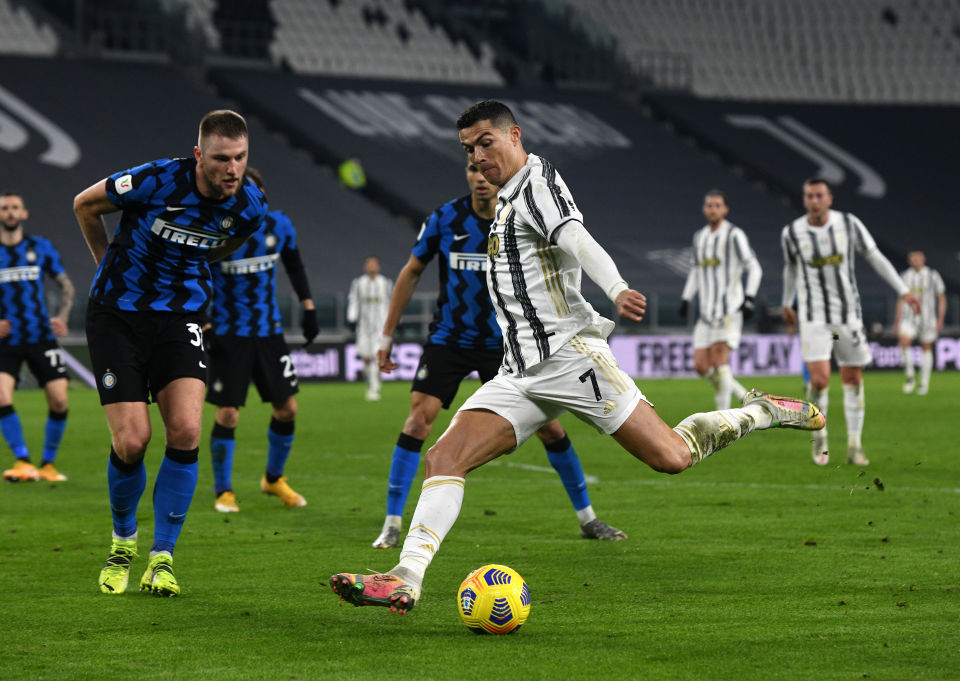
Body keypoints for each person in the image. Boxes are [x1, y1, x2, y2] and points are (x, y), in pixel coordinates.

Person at [329, 100, 824, 614]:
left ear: (514, 136)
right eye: (468, 150)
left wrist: (617, 286)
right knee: (444, 457)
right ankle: (405, 576)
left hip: (571, 359)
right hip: (519, 371)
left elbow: (577, 240)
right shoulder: (503, 200)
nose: (477, 158)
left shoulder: (535, 185)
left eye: (485, 143)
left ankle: (761, 410)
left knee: (672, 457)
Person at [370, 162, 626, 550]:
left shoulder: (518, 218)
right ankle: (391, 523)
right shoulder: (444, 219)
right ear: (467, 175)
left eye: (482, 169)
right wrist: (386, 334)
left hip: (508, 342)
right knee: (418, 421)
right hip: (450, 339)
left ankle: (588, 518)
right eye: (470, 169)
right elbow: (410, 272)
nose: (478, 176)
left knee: (551, 428)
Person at [74, 110, 268, 597]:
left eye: (240, 158)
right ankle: (123, 542)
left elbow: (231, 240)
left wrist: (191, 264)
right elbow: (84, 205)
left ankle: (163, 557)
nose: (232, 169)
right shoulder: (155, 179)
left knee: (184, 430)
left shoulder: (249, 205)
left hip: (179, 318)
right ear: (200, 155)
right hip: (117, 315)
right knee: (133, 441)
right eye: (222, 159)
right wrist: (106, 264)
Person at [780, 177, 920, 466]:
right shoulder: (792, 233)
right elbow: (791, 270)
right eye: (809, 196)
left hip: (848, 315)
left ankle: (855, 445)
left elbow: (875, 257)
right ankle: (820, 435)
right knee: (819, 379)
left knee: (852, 378)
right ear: (804, 200)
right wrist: (786, 302)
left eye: (819, 196)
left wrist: (903, 291)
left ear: (829, 198)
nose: (814, 201)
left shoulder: (849, 224)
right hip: (813, 316)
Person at [206, 167, 318, 514]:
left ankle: (273, 479)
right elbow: (197, 274)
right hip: (229, 334)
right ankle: (223, 490)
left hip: (268, 332)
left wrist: (308, 307)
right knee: (227, 414)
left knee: (287, 408)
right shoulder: (217, 229)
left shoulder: (278, 225)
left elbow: (295, 265)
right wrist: (204, 321)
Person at [0, 190, 73, 483]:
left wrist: (63, 317)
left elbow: (65, 285)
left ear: (24, 213)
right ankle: (22, 460)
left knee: (59, 401)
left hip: (40, 334)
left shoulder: (40, 248)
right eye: (5, 208)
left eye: (15, 207)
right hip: (6, 340)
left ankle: (48, 464)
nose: (10, 212)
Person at [678, 190, 762, 409]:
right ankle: (745, 396)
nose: (713, 209)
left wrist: (749, 297)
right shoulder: (699, 237)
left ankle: (722, 418)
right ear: (704, 209)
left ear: (725, 209)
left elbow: (754, 267)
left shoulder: (734, 234)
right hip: (706, 313)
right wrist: (686, 298)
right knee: (700, 366)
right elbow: (696, 270)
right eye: (709, 205)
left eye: (717, 205)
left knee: (718, 363)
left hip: (729, 310)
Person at [894, 250, 945, 396]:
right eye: (912, 258)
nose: (915, 261)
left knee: (926, 347)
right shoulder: (905, 276)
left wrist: (940, 318)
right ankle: (910, 376)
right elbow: (900, 299)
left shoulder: (933, 275)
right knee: (904, 342)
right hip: (908, 317)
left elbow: (941, 297)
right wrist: (897, 321)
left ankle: (924, 382)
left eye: (917, 258)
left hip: (928, 318)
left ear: (923, 259)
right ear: (910, 261)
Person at [347, 255, 393, 401]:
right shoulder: (358, 283)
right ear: (366, 267)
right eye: (369, 264)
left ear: (378, 266)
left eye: (374, 264)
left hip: (381, 327)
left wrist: (396, 321)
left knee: (375, 356)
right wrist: (352, 318)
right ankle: (372, 382)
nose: (372, 267)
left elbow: (392, 302)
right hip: (363, 328)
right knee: (366, 358)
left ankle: (373, 389)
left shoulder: (385, 283)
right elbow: (353, 301)